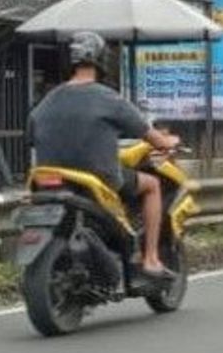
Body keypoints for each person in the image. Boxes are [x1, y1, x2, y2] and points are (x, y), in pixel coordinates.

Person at [28, 31, 180, 278]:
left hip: (49, 180)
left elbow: (31, 136)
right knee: (152, 185)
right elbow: (153, 138)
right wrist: (168, 141)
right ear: (102, 60)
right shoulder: (109, 99)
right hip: (97, 180)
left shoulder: (46, 101)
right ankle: (151, 259)